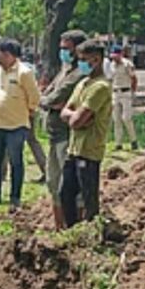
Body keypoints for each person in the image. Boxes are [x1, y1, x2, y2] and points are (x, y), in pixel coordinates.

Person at [60, 39, 112, 227]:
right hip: (74, 149)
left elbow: (75, 120)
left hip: (89, 150)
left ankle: (92, 232)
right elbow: (65, 112)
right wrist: (76, 117)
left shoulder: (101, 87)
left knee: (88, 197)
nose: (80, 63)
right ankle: (71, 232)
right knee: (66, 194)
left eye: (84, 59)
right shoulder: (83, 83)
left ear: (96, 60)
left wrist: (75, 117)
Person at [39, 29, 87, 231]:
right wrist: (48, 101)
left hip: (68, 136)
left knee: (68, 186)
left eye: (66, 48)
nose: (63, 52)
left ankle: (73, 226)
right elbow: (47, 95)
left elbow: (56, 97)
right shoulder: (65, 70)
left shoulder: (79, 74)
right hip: (54, 135)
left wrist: (48, 101)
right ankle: (59, 226)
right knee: (52, 182)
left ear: (77, 49)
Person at [0, 38, 40, 213]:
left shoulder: (24, 73)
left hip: (16, 125)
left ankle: (15, 197)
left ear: (9, 55)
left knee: (16, 161)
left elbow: (34, 97)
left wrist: (29, 112)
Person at [107, 44, 138, 150]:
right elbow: (110, 79)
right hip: (115, 93)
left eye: (116, 55)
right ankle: (118, 143)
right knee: (116, 119)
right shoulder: (111, 65)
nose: (114, 58)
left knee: (126, 118)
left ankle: (133, 140)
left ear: (121, 54)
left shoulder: (127, 64)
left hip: (126, 92)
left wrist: (133, 92)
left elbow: (134, 79)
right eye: (113, 56)